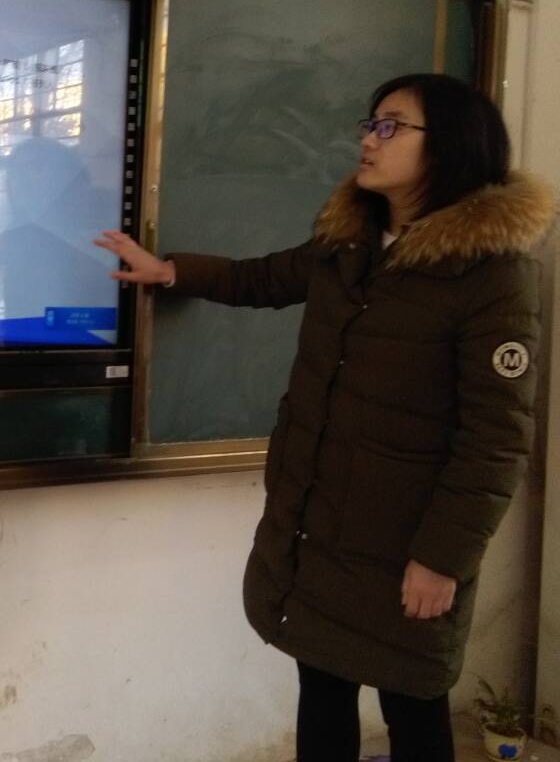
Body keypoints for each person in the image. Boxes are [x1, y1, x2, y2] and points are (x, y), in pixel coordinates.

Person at [94, 74, 554, 761]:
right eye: (370, 123)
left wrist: (442, 559)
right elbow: (262, 278)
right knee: (323, 681)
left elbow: (496, 439)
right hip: (320, 518)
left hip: (408, 540)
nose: (368, 139)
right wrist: (169, 272)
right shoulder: (350, 243)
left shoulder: (490, 275)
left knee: (412, 699)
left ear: (451, 144)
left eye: (391, 126)